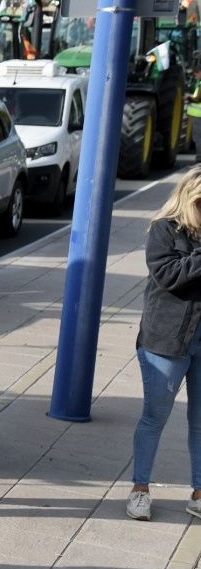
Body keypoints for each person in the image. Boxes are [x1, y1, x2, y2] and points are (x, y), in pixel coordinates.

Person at [128, 168, 201, 522]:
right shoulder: (164, 230)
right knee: (155, 417)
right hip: (166, 340)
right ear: (190, 198)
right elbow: (169, 276)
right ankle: (140, 489)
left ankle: (200, 492)